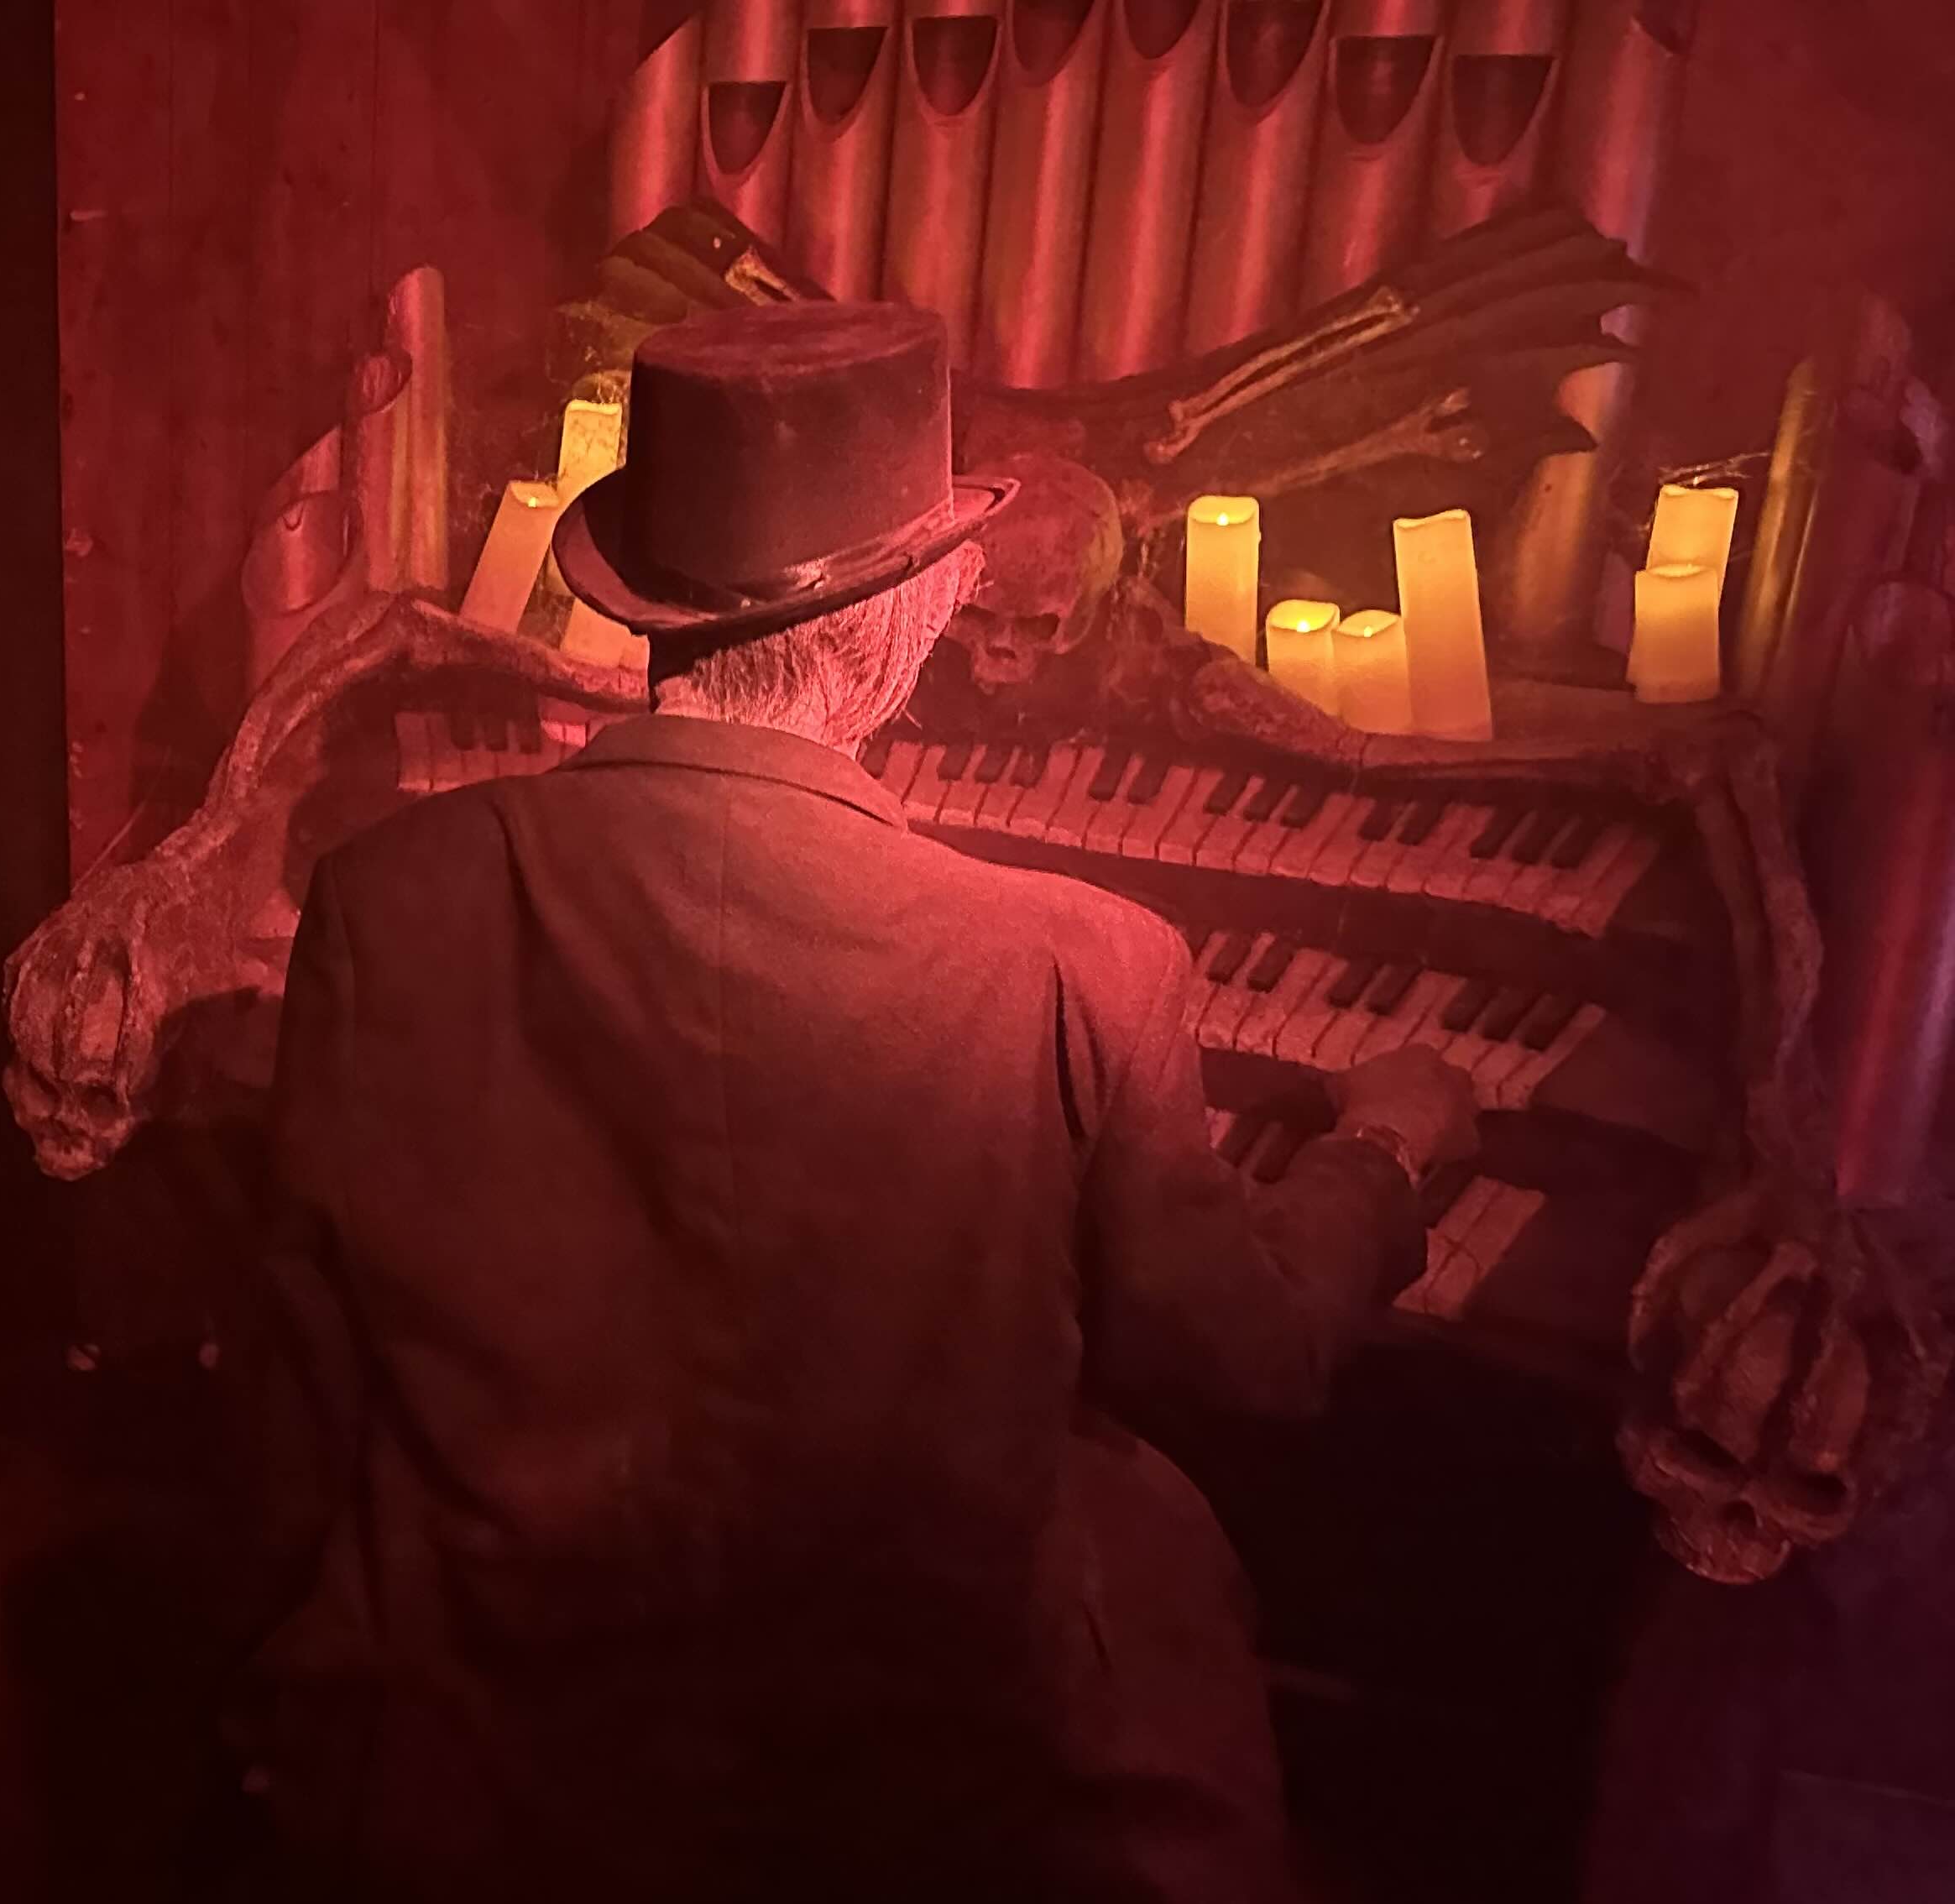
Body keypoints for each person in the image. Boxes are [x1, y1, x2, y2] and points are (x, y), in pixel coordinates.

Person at [232, 301, 1478, 1903]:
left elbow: (308, 1365)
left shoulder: (382, 900)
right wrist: (1383, 1150)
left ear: (640, 598)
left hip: (502, 1725)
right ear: (921, 602)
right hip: (920, 1765)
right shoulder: (1082, 962)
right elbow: (1247, 1353)